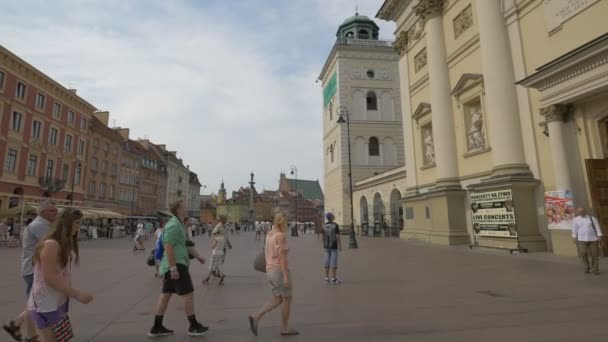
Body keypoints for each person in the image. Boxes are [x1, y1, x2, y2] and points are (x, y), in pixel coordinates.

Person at [28, 207, 94, 342]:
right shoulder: (51, 244)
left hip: (55, 299)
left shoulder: (63, 244)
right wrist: (77, 293)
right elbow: (49, 277)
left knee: (57, 338)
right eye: (76, 223)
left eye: (79, 223)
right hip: (45, 302)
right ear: (65, 223)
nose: (78, 227)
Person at [148, 200, 208, 337]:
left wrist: (198, 256)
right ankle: (193, 325)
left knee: (165, 295)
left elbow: (184, 244)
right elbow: (168, 246)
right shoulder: (174, 225)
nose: (187, 208)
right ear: (179, 209)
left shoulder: (180, 224)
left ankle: (157, 326)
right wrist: (173, 268)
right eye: (184, 206)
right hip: (176, 264)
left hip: (175, 263)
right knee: (188, 294)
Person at [4, 201, 58, 342]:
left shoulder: (43, 225)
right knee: (35, 303)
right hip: (33, 269)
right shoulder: (39, 226)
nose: (56, 213)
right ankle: (28, 334)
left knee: (34, 301)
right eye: (53, 211)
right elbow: (52, 245)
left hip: (34, 268)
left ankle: (18, 326)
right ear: (43, 212)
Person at [248, 213, 299, 337]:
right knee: (287, 299)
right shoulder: (280, 236)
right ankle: (285, 328)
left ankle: (256, 316)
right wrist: (286, 276)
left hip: (270, 271)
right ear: (283, 222)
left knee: (278, 299)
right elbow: (282, 259)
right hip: (278, 271)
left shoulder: (269, 234)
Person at [572, 207, 604, 275]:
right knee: (583, 253)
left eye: (582, 211)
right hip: (581, 239)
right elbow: (574, 229)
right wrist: (574, 237)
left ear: (585, 211)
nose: (581, 212)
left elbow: (597, 226)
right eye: (579, 211)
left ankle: (595, 269)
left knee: (595, 254)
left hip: (593, 239)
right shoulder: (576, 220)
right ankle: (587, 267)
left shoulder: (592, 218)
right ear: (577, 212)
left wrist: (599, 235)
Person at [323, 213, 342, 284]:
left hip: (326, 246)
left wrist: (324, 244)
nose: (334, 216)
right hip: (334, 246)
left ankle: (327, 278)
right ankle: (334, 278)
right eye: (333, 215)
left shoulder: (324, 225)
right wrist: (340, 245)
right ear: (331, 217)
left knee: (326, 261)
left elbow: (323, 236)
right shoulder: (335, 225)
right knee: (334, 262)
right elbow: (337, 236)